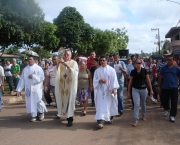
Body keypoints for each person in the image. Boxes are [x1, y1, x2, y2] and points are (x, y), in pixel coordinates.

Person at [16, 56, 47, 122]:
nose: (29, 60)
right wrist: (19, 89)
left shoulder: (38, 68)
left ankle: (41, 112)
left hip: (37, 87)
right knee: (30, 102)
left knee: (38, 100)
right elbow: (22, 80)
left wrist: (34, 76)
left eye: (30, 59)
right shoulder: (25, 69)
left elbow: (42, 78)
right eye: (28, 59)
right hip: (28, 88)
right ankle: (34, 115)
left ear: (34, 60)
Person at [93, 56, 119, 129]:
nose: (102, 62)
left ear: (107, 61)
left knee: (110, 105)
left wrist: (114, 88)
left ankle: (109, 117)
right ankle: (100, 121)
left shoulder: (112, 70)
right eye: (101, 60)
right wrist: (99, 81)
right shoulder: (97, 71)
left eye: (103, 60)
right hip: (100, 92)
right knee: (101, 105)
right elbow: (94, 80)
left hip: (109, 91)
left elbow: (114, 80)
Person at [55, 50, 78, 127]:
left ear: (70, 56)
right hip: (62, 86)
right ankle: (63, 114)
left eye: (67, 55)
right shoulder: (61, 63)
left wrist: (66, 65)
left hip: (70, 87)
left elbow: (75, 73)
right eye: (65, 54)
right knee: (62, 100)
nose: (66, 56)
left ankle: (70, 119)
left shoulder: (74, 63)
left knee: (69, 102)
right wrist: (58, 63)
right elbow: (57, 72)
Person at [128, 59, 153, 127]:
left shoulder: (144, 71)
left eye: (139, 63)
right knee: (136, 104)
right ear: (134, 64)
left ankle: (143, 115)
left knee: (143, 103)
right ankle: (136, 120)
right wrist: (128, 92)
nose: (138, 65)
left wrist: (151, 89)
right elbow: (130, 82)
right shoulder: (133, 72)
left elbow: (148, 80)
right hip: (135, 89)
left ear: (141, 64)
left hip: (143, 89)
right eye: (136, 63)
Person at [158, 55, 180, 122]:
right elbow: (160, 77)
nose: (169, 61)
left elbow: (179, 77)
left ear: (173, 60)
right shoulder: (163, 68)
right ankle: (166, 108)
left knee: (174, 102)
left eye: (171, 60)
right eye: (168, 60)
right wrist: (158, 86)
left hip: (174, 87)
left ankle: (172, 115)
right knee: (164, 100)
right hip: (165, 87)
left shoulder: (177, 68)